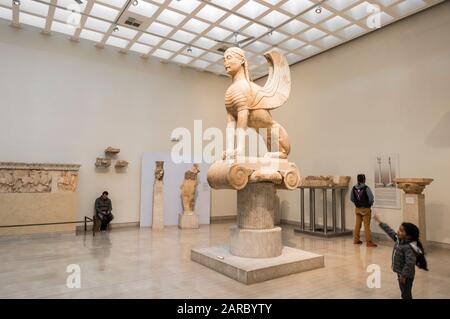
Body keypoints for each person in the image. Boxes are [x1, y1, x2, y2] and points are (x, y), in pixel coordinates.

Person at [373, 212, 428, 299]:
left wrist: (403, 275)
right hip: (401, 272)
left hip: (406, 275)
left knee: (406, 293)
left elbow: (410, 263)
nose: (398, 231)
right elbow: (389, 231)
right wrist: (379, 222)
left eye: (401, 231)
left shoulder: (409, 247)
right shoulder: (399, 240)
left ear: (409, 235)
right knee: (404, 291)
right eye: (399, 229)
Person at [350, 174, 377, 247]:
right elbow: (371, 198)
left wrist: (357, 203)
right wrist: (369, 204)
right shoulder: (366, 188)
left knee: (357, 225)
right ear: (364, 179)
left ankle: (356, 240)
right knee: (366, 226)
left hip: (357, 209)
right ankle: (369, 242)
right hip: (366, 209)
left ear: (357, 179)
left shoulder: (354, 188)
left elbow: (352, 198)